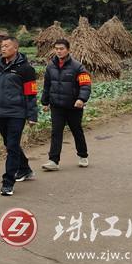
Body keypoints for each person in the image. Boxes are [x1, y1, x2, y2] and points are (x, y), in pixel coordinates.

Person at [0, 36, 38, 196]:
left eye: (7, 46)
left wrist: (32, 115)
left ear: (15, 48)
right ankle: (25, 169)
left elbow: (31, 94)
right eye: (2, 46)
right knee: (11, 144)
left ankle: (8, 182)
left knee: (11, 146)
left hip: (17, 113)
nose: (3, 48)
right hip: (0, 112)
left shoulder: (26, 69)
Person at [41, 38, 92, 170]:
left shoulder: (78, 67)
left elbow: (85, 85)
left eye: (61, 49)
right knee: (56, 132)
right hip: (56, 106)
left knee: (76, 130)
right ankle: (53, 161)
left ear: (68, 50)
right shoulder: (50, 66)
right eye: (56, 49)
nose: (59, 51)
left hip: (74, 106)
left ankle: (83, 155)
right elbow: (47, 86)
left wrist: (81, 99)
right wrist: (45, 102)